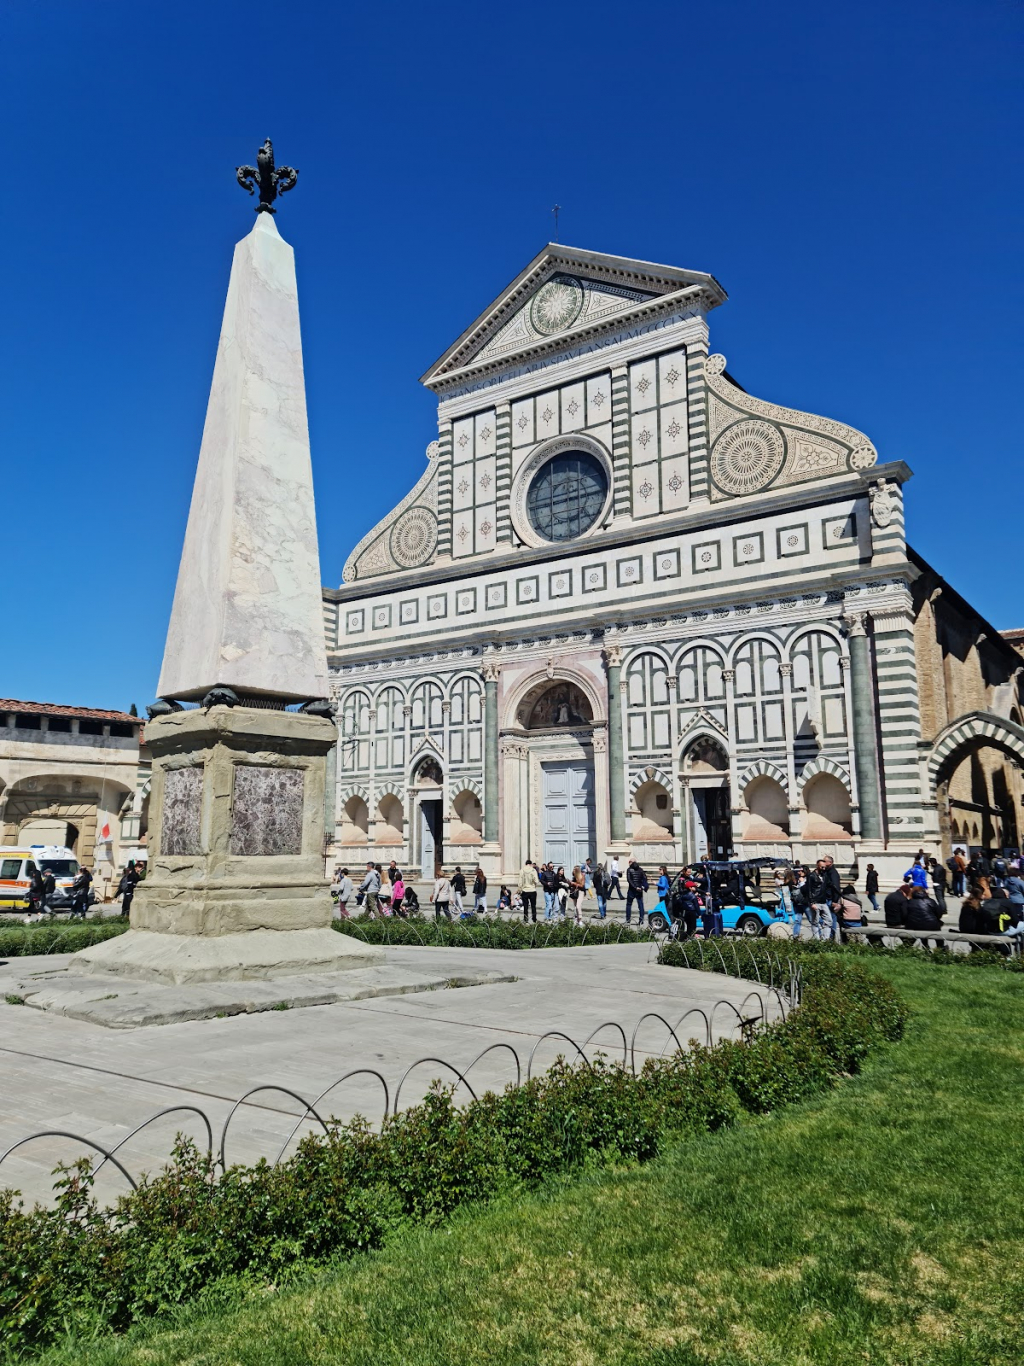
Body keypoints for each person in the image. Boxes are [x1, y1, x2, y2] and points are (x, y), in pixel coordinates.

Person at [625, 858, 647, 926]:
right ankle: (641, 920)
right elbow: (645, 878)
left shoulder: (629, 869)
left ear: (632, 862)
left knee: (629, 904)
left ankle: (628, 919)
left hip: (632, 889)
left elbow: (629, 880)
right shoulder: (640, 869)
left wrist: (635, 887)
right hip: (639, 889)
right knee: (640, 905)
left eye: (630, 862)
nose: (629, 863)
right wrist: (642, 886)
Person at [518, 858, 540, 923]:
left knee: (525, 906)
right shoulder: (533, 870)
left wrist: (520, 890)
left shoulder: (522, 870)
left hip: (525, 891)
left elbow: (520, 882)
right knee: (533, 906)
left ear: (526, 864)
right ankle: (534, 919)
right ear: (530, 864)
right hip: (532, 890)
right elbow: (536, 881)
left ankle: (526, 919)